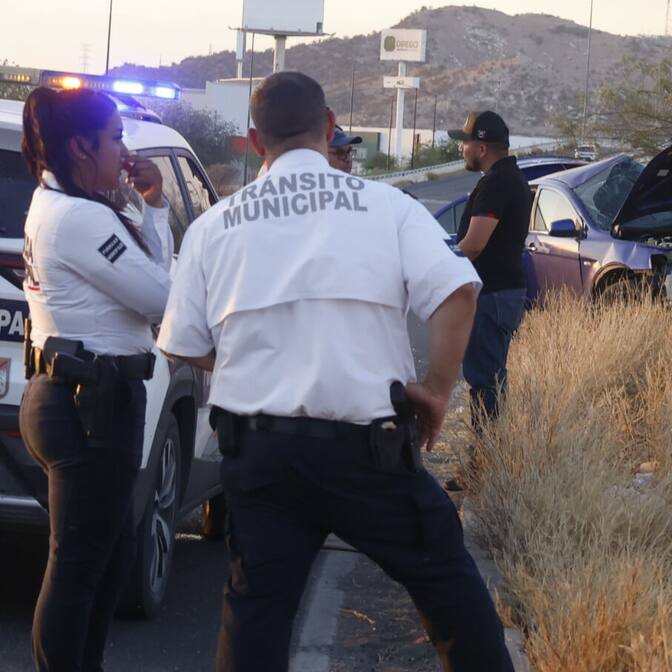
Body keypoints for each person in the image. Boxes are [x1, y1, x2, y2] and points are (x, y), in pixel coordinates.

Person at [156, 72, 512, 672]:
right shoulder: (387, 207)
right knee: (453, 597)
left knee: (256, 619)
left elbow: (184, 343)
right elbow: (458, 293)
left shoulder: (214, 227)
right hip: (369, 456)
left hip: (262, 456)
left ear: (252, 138)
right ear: (327, 128)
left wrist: (249, 357)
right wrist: (437, 391)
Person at [18, 86, 172, 672]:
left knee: (104, 560)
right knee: (82, 564)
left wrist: (150, 205)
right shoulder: (80, 218)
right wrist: (153, 212)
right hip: (90, 406)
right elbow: (163, 297)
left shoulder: (62, 202)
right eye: (114, 139)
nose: (124, 151)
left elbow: (153, 287)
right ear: (81, 146)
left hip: (80, 399)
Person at [451, 111, 532, 453]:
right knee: (490, 379)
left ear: (481, 147)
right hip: (503, 293)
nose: (461, 149)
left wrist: (435, 263)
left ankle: (484, 463)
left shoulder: (497, 183)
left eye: (465, 142)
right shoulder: (509, 177)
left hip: (493, 295)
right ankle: (486, 460)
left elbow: (474, 244)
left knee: (485, 382)